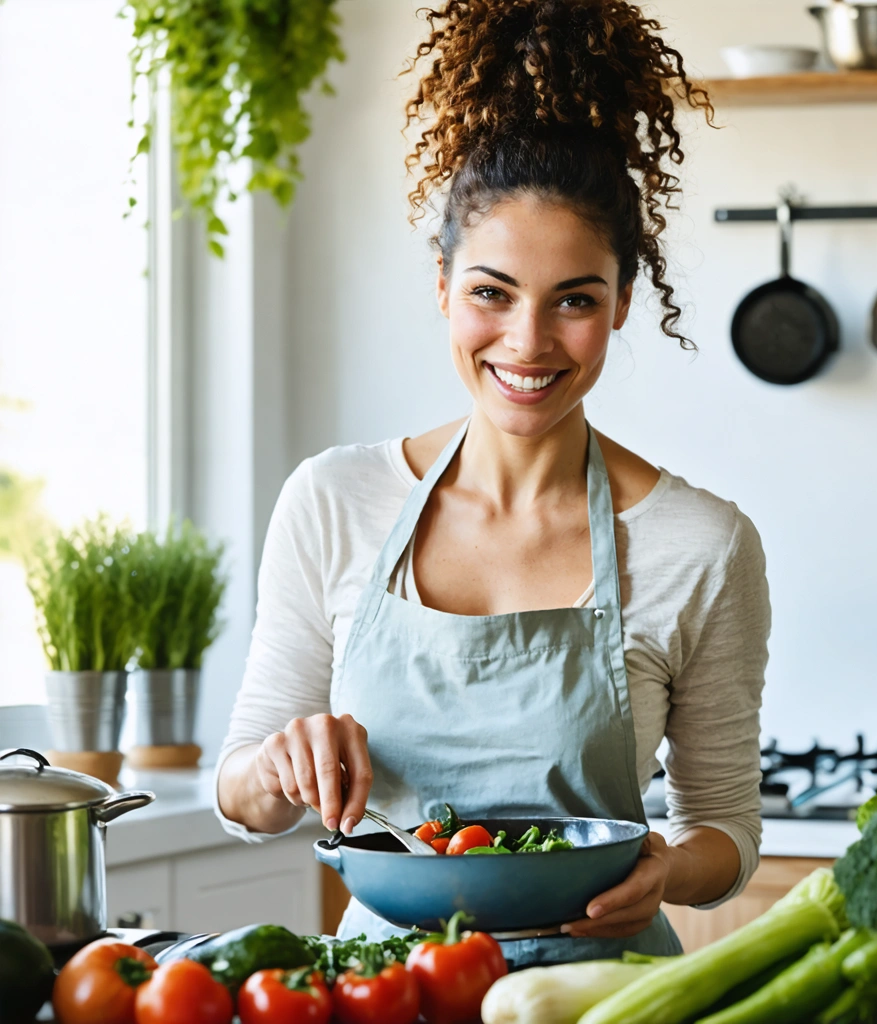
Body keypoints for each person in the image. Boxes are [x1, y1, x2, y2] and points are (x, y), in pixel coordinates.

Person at [216, 0, 770, 967]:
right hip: (381, 986)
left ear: (623, 304)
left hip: (600, 991)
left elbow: (723, 832)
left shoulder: (703, 543)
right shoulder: (333, 501)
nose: (528, 343)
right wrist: (276, 765)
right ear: (440, 285)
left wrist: (666, 869)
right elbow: (243, 799)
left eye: (575, 301)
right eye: (490, 292)